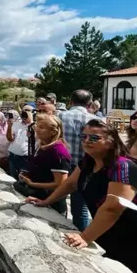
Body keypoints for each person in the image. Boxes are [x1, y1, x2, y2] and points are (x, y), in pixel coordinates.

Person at [26, 120, 137, 273]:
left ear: (111, 141)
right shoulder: (87, 162)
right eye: (84, 136)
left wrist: (85, 237)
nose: (87, 140)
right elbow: (69, 184)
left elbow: (113, 207)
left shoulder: (122, 167)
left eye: (94, 137)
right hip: (110, 234)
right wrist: (46, 202)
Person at [17, 114, 70, 215]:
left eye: (41, 127)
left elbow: (60, 184)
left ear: (53, 132)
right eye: (37, 126)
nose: (36, 129)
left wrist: (32, 184)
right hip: (39, 197)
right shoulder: (43, 145)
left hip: (52, 204)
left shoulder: (58, 152)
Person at [59, 89, 96, 231]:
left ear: (70, 101)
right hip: (85, 167)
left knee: (58, 200)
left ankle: (59, 228)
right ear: (90, 104)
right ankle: (80, 235)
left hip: (61, 165)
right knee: (80, 207)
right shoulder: (95, 121)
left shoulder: (60, 115)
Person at [7, 108, 32, 179]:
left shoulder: (35, 126)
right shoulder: (16, 124)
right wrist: (9, 126)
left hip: (25, 159)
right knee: (12, 179)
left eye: (27, 112)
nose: (25, 114)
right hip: (13, 156)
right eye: (24, 112)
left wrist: (30, 122)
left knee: (23, 180)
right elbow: (10, 139)